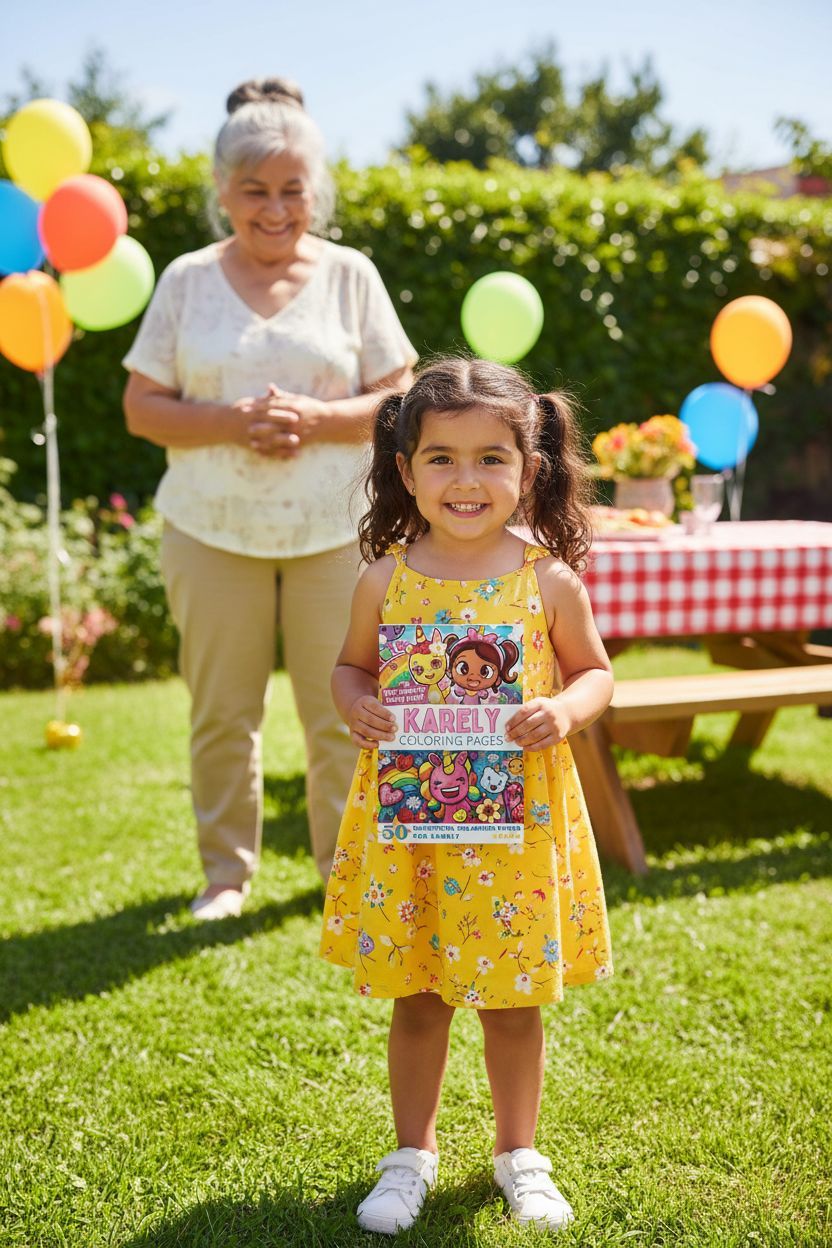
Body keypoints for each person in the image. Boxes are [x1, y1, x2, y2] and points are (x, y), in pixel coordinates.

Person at [320, 357, 614, 1234]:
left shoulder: (547, 580)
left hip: (515, 833)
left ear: (531, 470)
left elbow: (597, 673)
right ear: (405, 471)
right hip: (414, 832)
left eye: (492, 457)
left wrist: (562, 709)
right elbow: (349, 668)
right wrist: (359, 708)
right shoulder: (386, 578)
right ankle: (411, 1155)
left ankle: (518, 1153)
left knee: (513, 1000)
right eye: (441, 458)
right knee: (418, 997)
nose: (466, 479)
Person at [123, 78, 416, 920]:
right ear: (223, 191)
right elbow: (142, 408)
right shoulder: (185, 281)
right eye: (255, 190)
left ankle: (345, 870)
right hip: (210, 532)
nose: (276, 208)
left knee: (344, 711)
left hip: (334, 533)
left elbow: (399, 398)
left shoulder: (351, 275)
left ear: (314, 191)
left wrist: (321, 419)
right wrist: (228, 421)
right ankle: (227, 876)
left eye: (293, 189)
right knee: (223, 717)